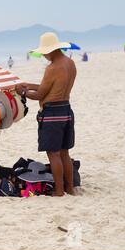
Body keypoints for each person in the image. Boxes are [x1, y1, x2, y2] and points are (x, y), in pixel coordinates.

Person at [15, 32, 77, 196]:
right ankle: (70, 188)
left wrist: (22, 92)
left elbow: (40, 95)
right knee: (65, 153)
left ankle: (58, 191)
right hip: (66, 110)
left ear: (50, 50)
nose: (43, 56)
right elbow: (50, 88)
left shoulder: (52, 68)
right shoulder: (70, 63)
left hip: (52, 114)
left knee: (53, 153)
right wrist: (28, 85)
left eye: (44, 53)